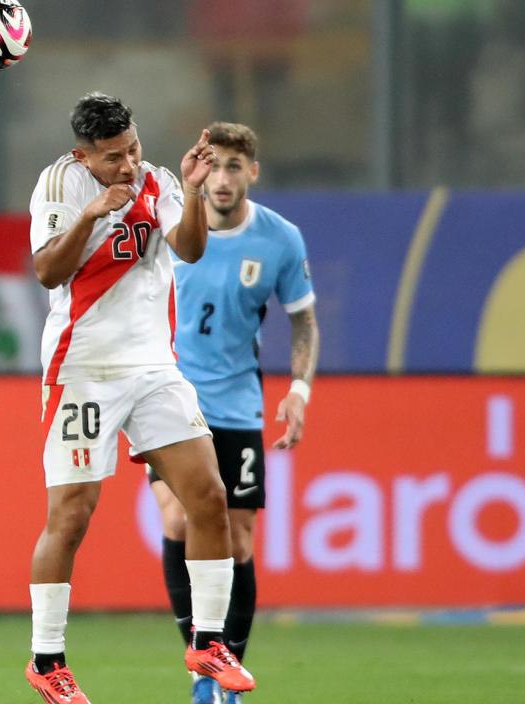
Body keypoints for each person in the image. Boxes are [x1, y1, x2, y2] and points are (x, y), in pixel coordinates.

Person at [23, 93, 255, 704]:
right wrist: (93, 213)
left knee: (208, 495)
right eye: (112, 158)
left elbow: (191, 249)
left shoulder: (160, 179)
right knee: (71, 515)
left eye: (133, 149)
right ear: (83, 156)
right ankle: (47, 662)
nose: (128, 166)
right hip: (84, 368)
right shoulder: (59, 184)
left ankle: (207, 643)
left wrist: (199, 191)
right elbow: (48, 271)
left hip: (153, 367)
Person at [148, 121, 319, 704]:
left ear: (252, 172)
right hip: (167, 396)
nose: (221, 179)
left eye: (233, 167)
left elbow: (302, 319)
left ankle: (222, 676)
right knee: (177, 520)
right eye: (212, 165)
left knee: (238, 540)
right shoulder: (174, 226)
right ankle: (199, 660)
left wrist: (299, 388)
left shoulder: (279, 238)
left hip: (239, 403)